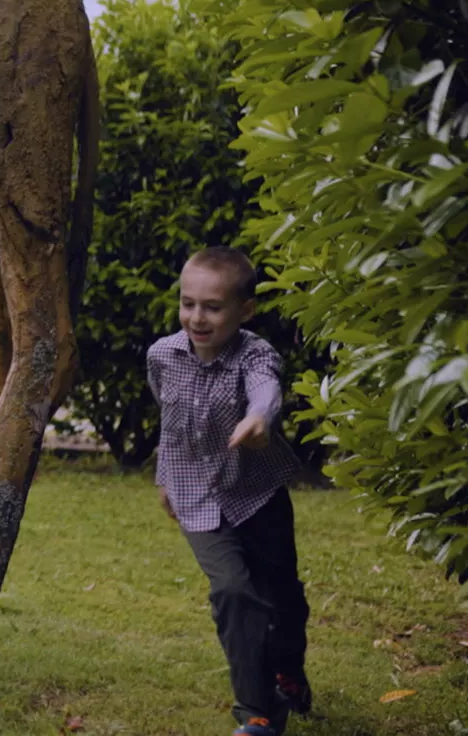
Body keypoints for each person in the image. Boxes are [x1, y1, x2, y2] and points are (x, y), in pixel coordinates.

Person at [148, 247, 308, 736]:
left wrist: (259, 418)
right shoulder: (162, 356)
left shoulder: (254, 354)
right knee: (234, 591)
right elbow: (171, 424)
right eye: (188, 303)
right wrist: (165, 478)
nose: (197, 317)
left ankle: (288, 669)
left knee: (283, 597)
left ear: (245, 310)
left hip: (257, 494)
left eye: (213, 307)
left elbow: (266, 389)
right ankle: (256, 712)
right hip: (196, 497)